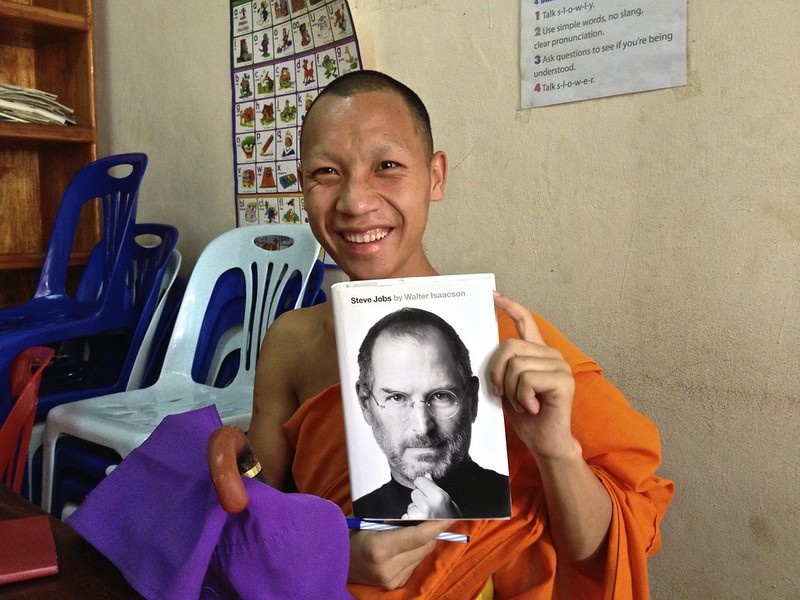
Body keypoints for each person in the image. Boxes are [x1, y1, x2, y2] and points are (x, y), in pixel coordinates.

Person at [248, 70, 674, 598]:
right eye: (327, 173)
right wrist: (329, 554)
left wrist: (557, 451)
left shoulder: (506, 342)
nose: (355, 202)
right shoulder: (291, 343)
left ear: (435, 176)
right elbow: (254, 520)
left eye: (387, 166)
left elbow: (605, 549)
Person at [352, 307, 511, 520]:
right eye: (397, 398)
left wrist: (451, 526)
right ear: (365, 405)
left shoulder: (516, 494)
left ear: (472, 400)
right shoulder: (352, 518)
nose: (423, 426)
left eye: (440, 396)